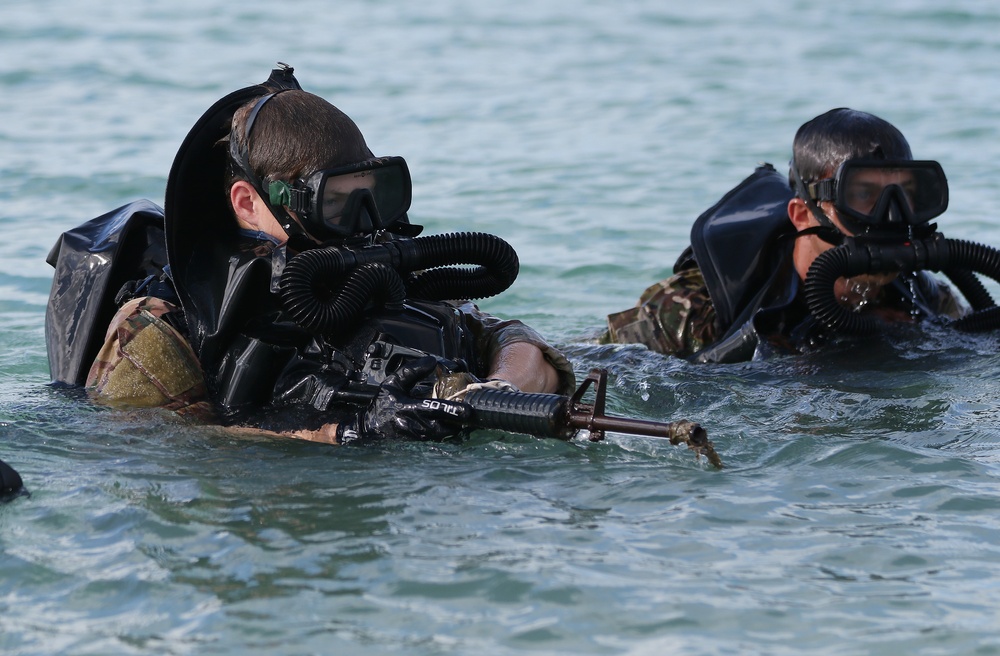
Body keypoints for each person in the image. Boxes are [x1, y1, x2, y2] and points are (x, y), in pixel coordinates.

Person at [48, 64, 574, 444]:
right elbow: (163, 443)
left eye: (374, 194)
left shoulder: (371, 266)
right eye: (336, 204)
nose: (365, 223)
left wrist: (489, 391)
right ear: (249, 203)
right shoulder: (164, 323)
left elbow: (513, 338)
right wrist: (348, 431)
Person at [603, 107, 975, 363]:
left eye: (903, 196)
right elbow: (600, 370)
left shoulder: (927, 299)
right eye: (863, 196)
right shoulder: (696, 308)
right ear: (801, 215)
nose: (888, 218)